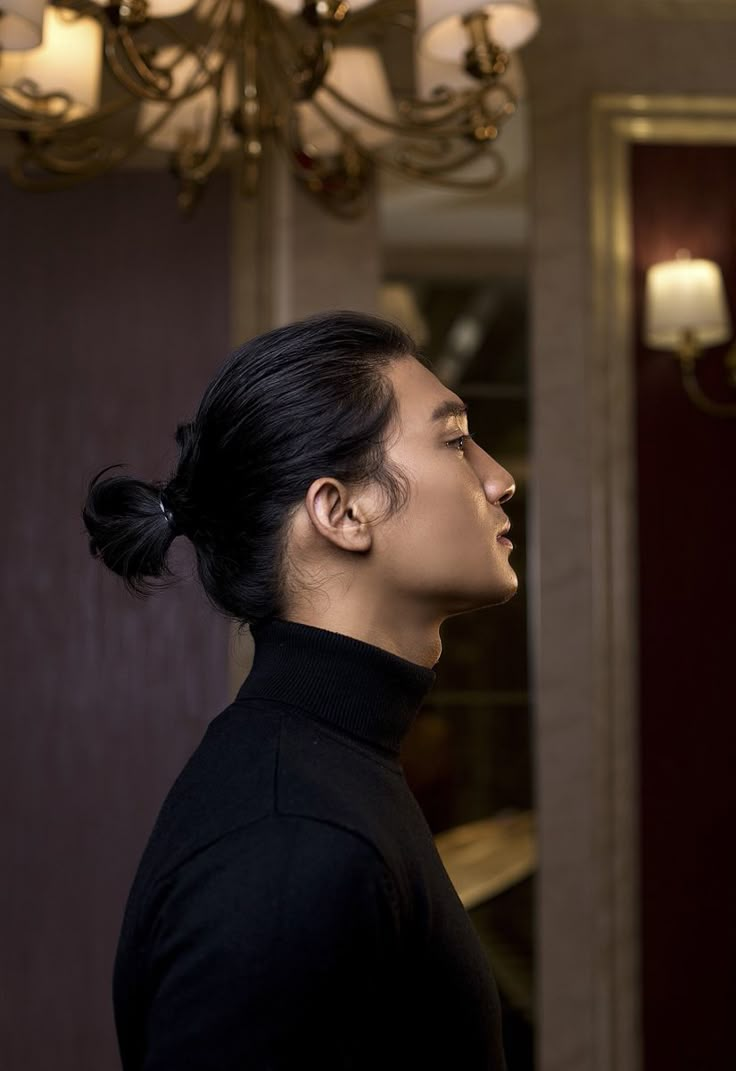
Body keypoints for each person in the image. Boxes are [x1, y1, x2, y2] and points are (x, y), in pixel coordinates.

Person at [83, 310, 517, 1070]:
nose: (499, 478)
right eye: (453, 439)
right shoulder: (290, 838)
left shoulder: (338, 771)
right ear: (340, 511)